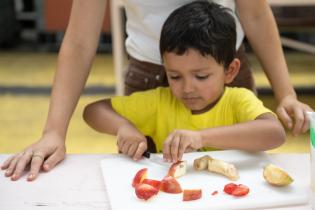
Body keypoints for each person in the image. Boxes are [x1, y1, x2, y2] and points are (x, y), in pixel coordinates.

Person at [1, 0, 311, 181]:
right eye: (178, 77)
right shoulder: (154, 101)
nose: (187, 88)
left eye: (196, 77)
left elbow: (256, 13)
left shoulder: (235, 96)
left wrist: (286, 93)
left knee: (241, 180)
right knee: (151, 184)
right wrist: (54, 130)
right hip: (151, 74)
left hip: (220, 68)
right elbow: (80, 41)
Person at [83, 1, 286, 163]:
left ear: (230, 71)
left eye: (201, 76)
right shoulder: (160, 102)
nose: (187, 89)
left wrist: (201, 137)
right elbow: (93, 110)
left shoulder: (238, 100)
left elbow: (275, 133)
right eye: (175, 76)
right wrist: (123, 127)